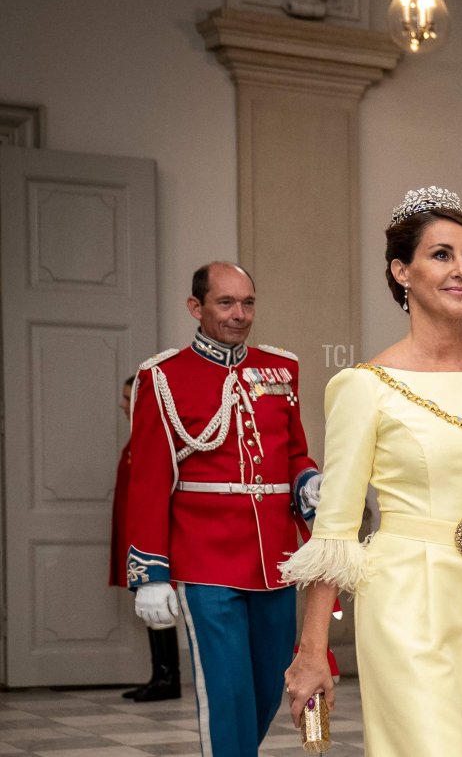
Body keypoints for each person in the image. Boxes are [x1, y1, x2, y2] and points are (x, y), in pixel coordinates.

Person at [281, 187, 462, 756]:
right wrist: (312, 650)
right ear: (401, 271)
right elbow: (335, 530)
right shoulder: (364, 386)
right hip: (404, 598)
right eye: (441, 255)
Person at [124, 261, 322, 756]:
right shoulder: (162, 377)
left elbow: (294, 453)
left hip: (275, 560)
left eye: (248, 303)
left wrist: (309, 482)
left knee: (270, 684)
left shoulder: (281, 369)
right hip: (205, 561)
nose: (239, 314)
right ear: (196, 307)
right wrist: (150, 573)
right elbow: (148, 483)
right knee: (227, 692)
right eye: (226, 303)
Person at [109, 374, 181, 702]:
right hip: (134, 533)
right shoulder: (136, 436)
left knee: (159, 606)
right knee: (148, 605)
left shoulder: (153, 437)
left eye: (128, 398)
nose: (123, 405)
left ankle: (169, 678)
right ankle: (160, 675)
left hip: (154, 539)